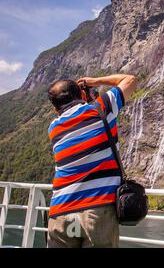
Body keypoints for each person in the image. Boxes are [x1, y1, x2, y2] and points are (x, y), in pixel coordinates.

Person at [46, 74, 136, 248]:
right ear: (81, 94)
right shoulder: (101, 108)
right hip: (97, 208)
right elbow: (130, 80)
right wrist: (93, 82)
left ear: (55, 108)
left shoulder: (54, 128)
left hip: (60, 211)